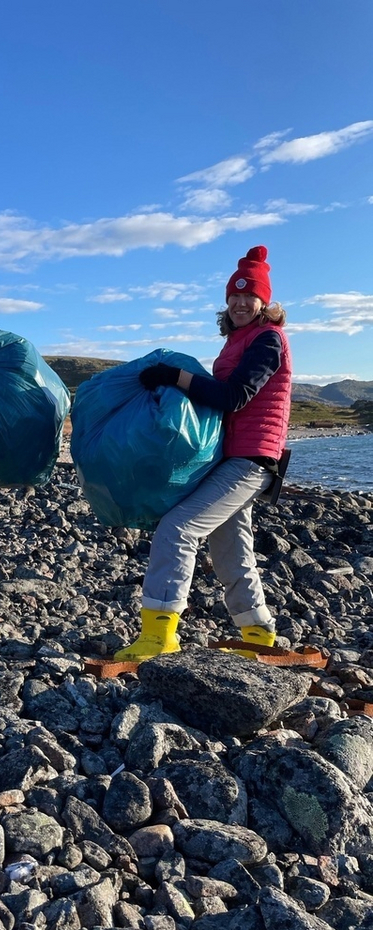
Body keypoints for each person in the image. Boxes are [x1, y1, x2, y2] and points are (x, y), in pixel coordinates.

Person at [115, 245, 292, 661]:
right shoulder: (238, 340)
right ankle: (257, 633)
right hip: (234, 455)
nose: (241, 303)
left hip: (253, 458)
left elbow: (234, 396)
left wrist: (174, 376)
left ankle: (159, 635)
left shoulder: (268, 339)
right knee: (230, 546)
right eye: (234, 296)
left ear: (264, 302)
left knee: (178, 528)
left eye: (250, 296)